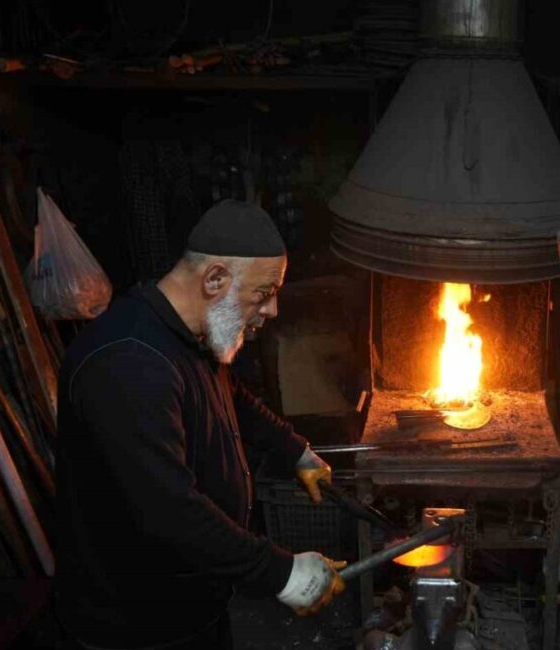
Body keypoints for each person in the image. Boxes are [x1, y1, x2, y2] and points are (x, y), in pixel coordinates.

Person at [54, 200, 344, 649]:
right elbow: (168, 512)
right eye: (264, 292)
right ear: (215, 279)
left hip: (195, 603)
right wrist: (281, 573)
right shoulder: (128, 363)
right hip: (139, 628)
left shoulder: (183, 331)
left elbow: (232, 396)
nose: (272, 310)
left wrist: (294, 450)